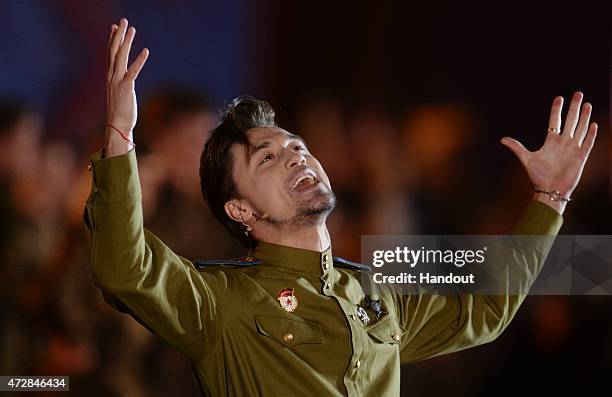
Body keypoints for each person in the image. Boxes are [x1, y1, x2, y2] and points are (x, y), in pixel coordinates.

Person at [84, 18, 598, 396]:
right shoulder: (222, 302)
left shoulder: (376, 289)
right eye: (267, 159)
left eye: (296, 146)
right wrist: (119, 138)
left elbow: (486, 309)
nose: (295, 157)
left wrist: (549, 201)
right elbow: (126, 270)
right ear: (240, 210)